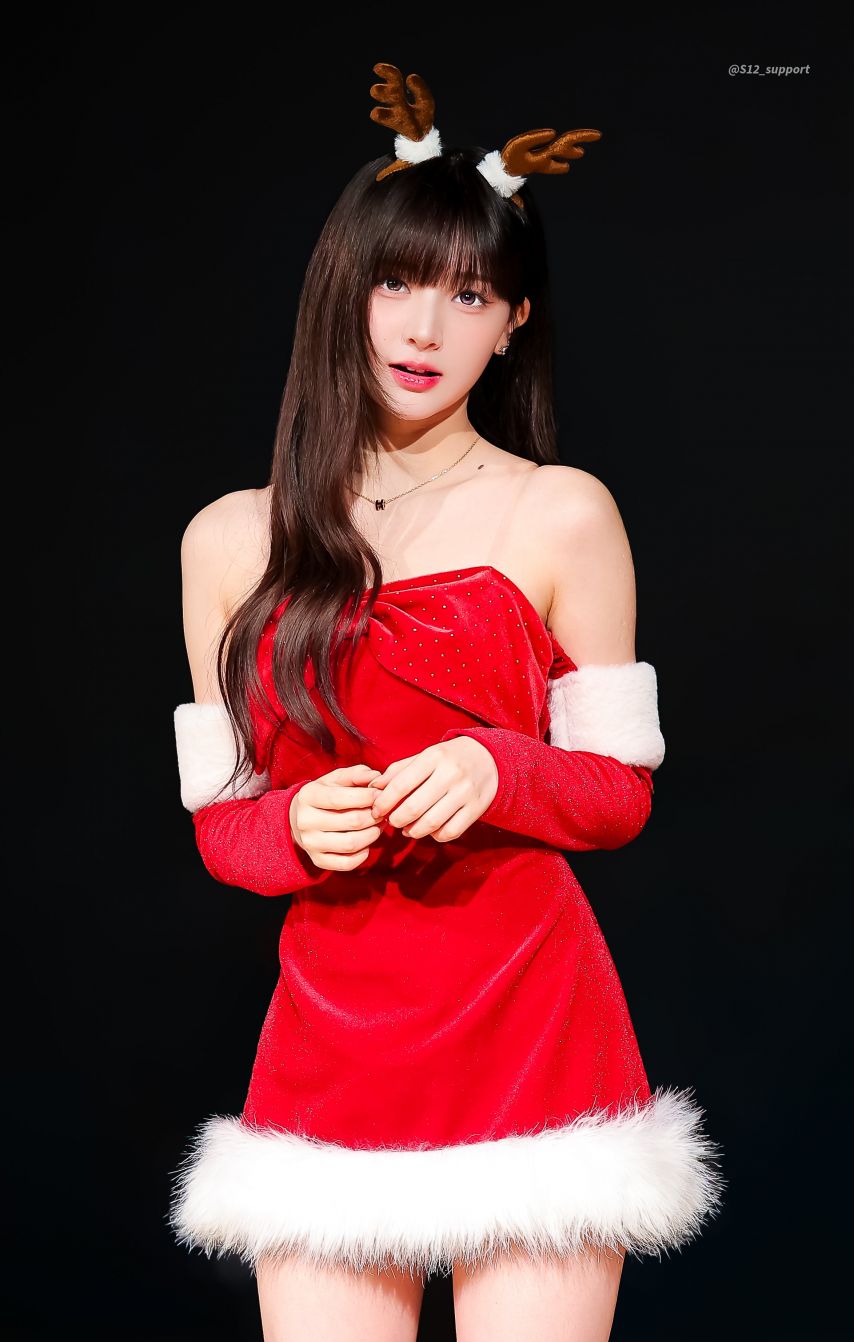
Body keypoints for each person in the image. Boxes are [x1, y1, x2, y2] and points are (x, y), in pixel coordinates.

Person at [168, 63, 725, 1342]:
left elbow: (618, 794)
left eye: (468, 294)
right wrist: (292, 826)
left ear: (512, 320)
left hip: (532, 1025)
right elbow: (220, 823)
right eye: (397, 282)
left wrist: (497, 765)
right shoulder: (229, 539)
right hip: (333, 1040)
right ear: (343, 292)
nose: (424, 327)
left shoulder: (560, 511)